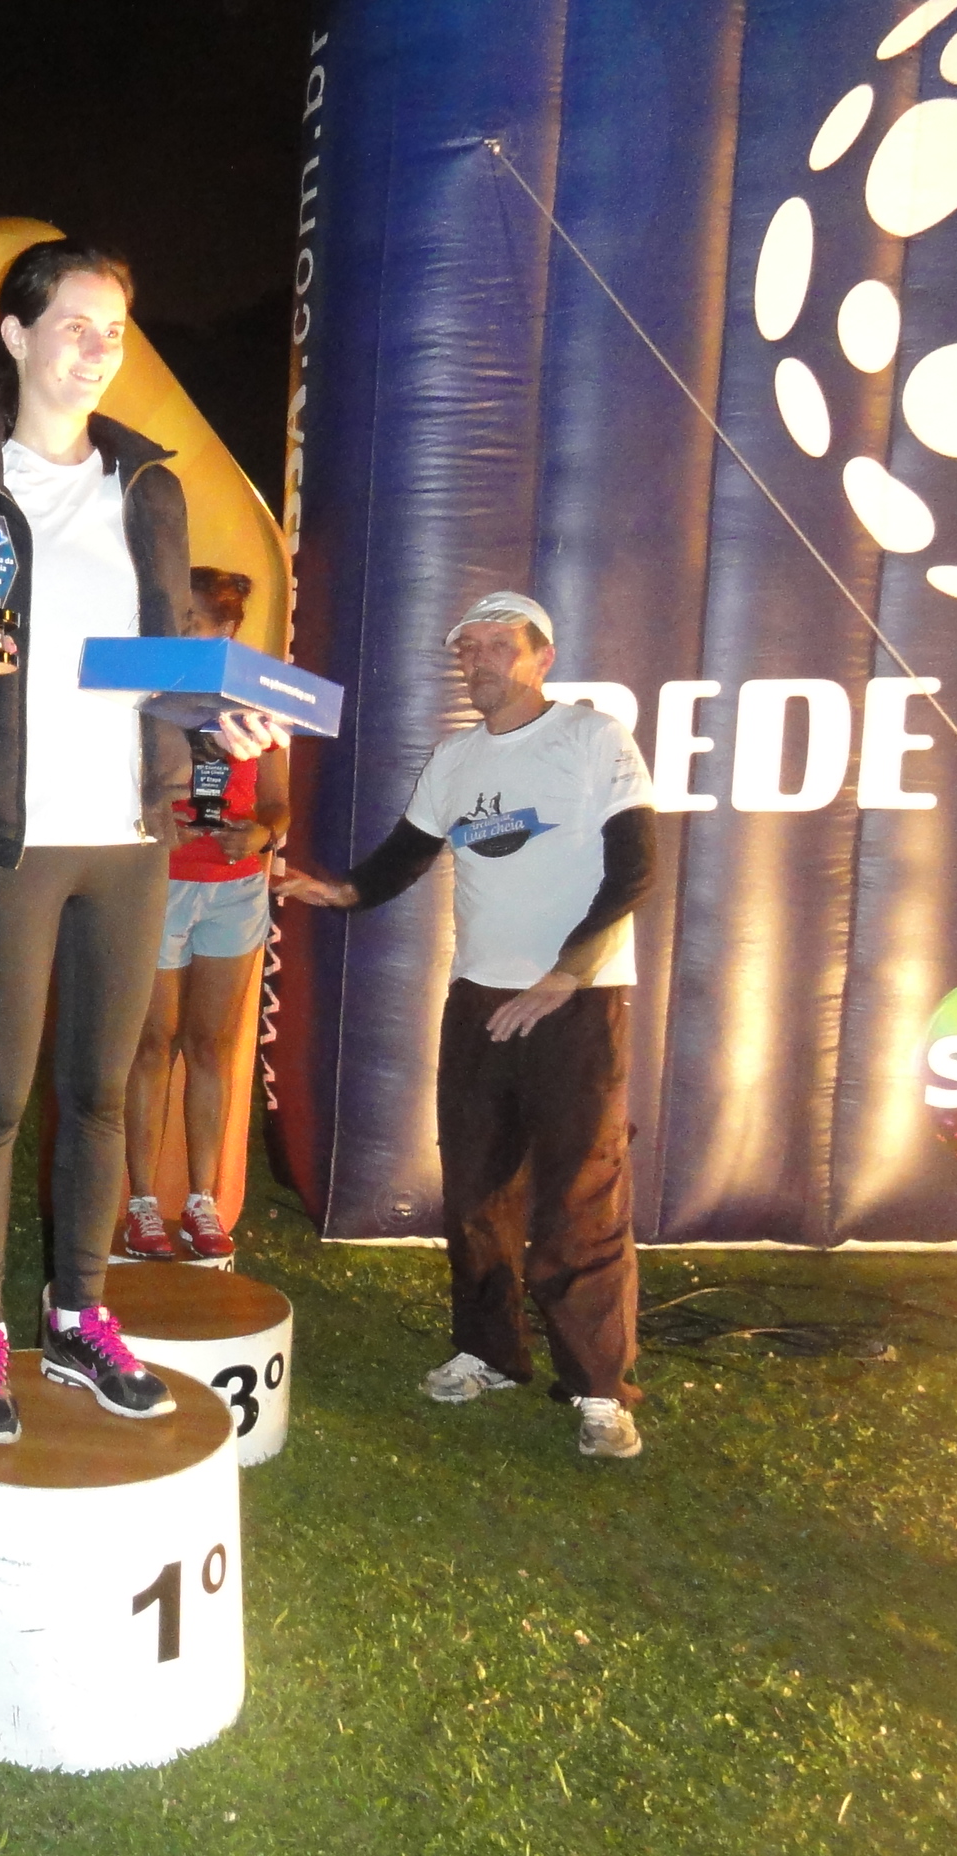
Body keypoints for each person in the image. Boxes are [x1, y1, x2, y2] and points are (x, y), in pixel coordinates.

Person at [0, 240, 281, 1445]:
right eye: (76, 325)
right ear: (15, 335)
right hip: (9, 838)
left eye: (114, 329)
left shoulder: (146, 487)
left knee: (101, 1095)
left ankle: (79, 1315)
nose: (99, 349)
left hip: (128, 835)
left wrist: (218, 713)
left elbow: (161, 663)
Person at [277, 591, 656, 1460]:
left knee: (582, 1194)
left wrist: (565, 975)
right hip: (481, 1000)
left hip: (579, 1001)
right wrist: (340, 892)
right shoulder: (454, 758)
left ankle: (599, 1390)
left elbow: (636, 870)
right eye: (468, 648)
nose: (477, 660)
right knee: (479, 1186)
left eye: (497, 645)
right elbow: (406, 856)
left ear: (542, 658)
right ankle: (487, 1352)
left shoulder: (593, 738)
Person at [118, 567, 289, 1266]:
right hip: (160, 882)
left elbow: (276, 803)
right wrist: (158, 820)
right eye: (176, 619)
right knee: (151, 1043)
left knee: (211, 1045)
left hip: (235, 888)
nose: (183, 631)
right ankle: (140, 1204)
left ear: (227, 628)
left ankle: (202, 1202)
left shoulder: (262, 698)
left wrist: (262, 834)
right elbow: (115, 788)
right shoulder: (147, 693)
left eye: (195, 620)